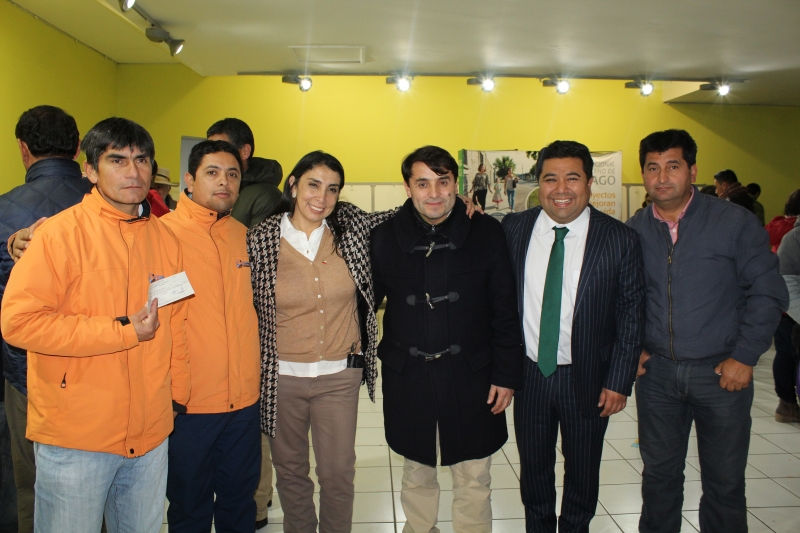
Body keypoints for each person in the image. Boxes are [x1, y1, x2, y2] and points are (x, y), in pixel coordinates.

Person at [0, 117, 191, 533]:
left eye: (142, 160)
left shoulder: (166, 238)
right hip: (77, 436)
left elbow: (174, 322)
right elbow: (19, 323)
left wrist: (176, 395)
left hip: (150, 433)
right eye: (117, 160)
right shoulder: (57, 235)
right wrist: (122, 331)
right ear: (89, 169)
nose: (133, 171)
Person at [627, 129, 788, 533]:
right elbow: (622, 298)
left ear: (693, 171)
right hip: (658, 376)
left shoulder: (733, 223)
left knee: (725, 483)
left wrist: (745, 356)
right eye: (652, 168)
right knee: (658, 480)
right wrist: (633, 347)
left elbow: (768, 293)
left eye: (673, 166)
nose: (662, 177)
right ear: (643, 174)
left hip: (721, 374)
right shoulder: (635, 230)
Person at [371, 145, 523, 533]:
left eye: (443, 182)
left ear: (457, 184)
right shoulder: (384, 237)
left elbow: (505, 310)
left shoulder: (487, 232)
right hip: (409, 377)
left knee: (473, 476)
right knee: (416, 472)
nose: (434, 193)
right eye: (423, 183)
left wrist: (506, 374)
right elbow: (363, 302)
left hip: (473, 376)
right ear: (407, 187)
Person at [247, 151, 396, 533]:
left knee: (338, 473)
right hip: (282, 379)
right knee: (291, 472)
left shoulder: (350, 227)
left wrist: (455, 204)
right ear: (293, 185)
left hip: (338, 377)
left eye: (333, 189)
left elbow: (399, 216)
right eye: (313, 185)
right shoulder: (261, 238)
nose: (322, 197)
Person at [502, 140, 645, 533]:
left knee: (582, 472)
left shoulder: (619, 238)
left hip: (589, 377)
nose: (561, 189)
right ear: (539, 183)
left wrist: (619, 380)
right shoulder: (513, 229)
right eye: (551, 179)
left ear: (590, 182)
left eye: (572, 178)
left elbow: (631, 316)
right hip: (529, 375)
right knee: (533, 471)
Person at [161, 140, 262, 531]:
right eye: (212, 173)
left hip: (243, 403)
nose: (224, 182)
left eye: (232, 174)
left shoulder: (245, 236)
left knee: (240, 504)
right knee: (189, 507)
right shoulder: (161, 235)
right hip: (189, 406)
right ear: (189, 180)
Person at [0, 105, 92, 533]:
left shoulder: (5, 209)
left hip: (26, 370)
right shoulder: (107, 206)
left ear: (23, 148)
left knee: (32, 487)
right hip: (100, 366)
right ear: (78, 148)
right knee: (98, 483)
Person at [207, 118, 283, 228]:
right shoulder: (208, 187)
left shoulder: (266, 197)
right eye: (209, 151)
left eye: (222, 149)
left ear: (245, 152)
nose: (213, 157)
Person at [775, 211, 800, 422]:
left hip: (786, 313)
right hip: (791, 314)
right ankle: (787, 403)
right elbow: (786, 280)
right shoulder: (794, 237)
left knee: (785, 355)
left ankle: (787, 403)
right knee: (786, 355)